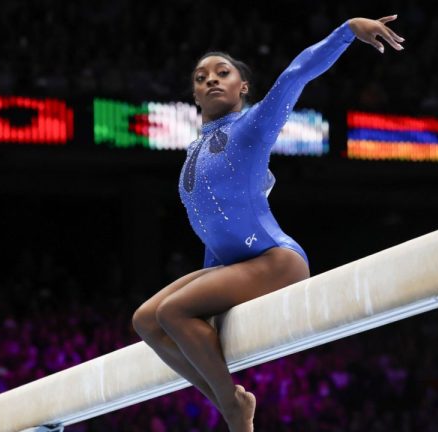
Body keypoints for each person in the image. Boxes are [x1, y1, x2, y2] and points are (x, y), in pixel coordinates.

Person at [132, 15, 405, 432]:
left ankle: (234, 413)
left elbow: (297, 73)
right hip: (234, 267)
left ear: (243, 87)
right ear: (194, 95)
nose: (211, 80)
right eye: (201, 77)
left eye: (223, 73)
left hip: (276, 260)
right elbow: (213, 232)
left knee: (174, 311)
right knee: (146, 321)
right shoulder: (194, 152)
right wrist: (210, 287)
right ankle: (230, 401)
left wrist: (347, 31)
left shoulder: (252, 125)